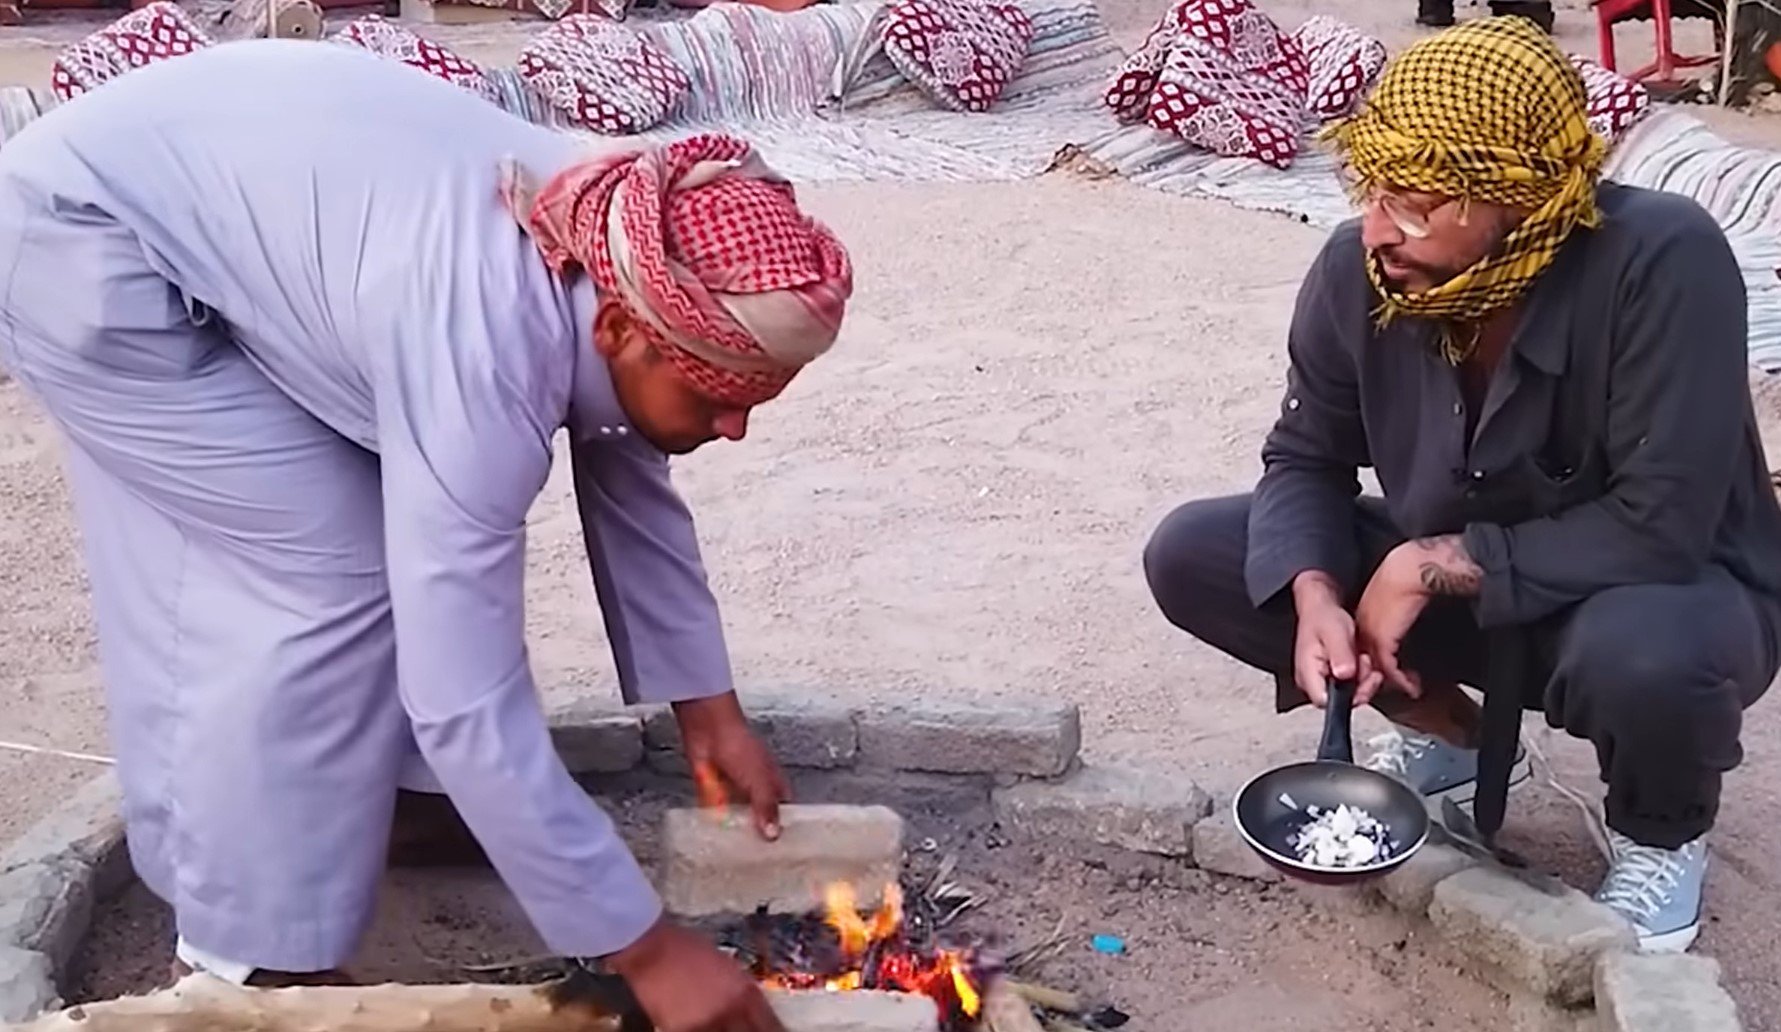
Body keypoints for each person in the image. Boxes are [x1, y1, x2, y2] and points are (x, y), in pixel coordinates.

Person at [0, 37, 853, 1032]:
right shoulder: (482, 346)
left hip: (204, 199)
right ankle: (244, 951)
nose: (736, 427)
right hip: (86, 240)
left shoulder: (616, 237)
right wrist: (651, 953)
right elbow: (461, 700)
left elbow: (629, 462)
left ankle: (387, 808)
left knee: (386, 544)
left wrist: (711, 717)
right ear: (622, 333)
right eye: (717, 400)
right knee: (330, 575)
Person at [1143, 16, 1781, 953]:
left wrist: (1424, 564)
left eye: (1413, 201)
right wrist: (1316, 595)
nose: (1375, 229)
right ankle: (1443, 729)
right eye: (1371, 191)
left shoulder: (1664, 261)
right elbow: (1305, 457)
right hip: (1463, 601)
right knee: (1198, 552)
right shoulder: (1358, 270)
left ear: (1512, 196)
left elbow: (1662, 524)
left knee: (1648, 656)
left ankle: (1659, 833)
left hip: (1642, 593)